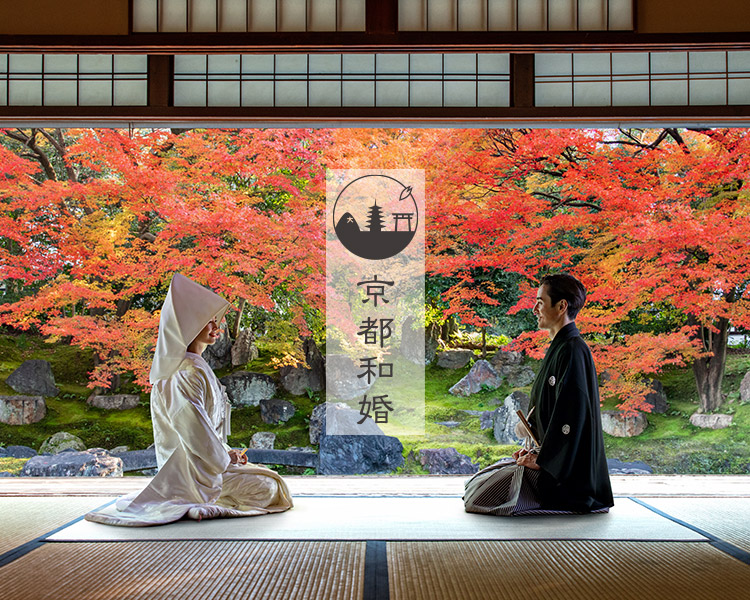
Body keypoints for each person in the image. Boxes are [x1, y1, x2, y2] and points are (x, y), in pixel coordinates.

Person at [86, 273, 293, 526]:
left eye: (217, 321)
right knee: (267, 488)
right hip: (190, 473)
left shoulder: (194, 367)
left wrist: (230, 455)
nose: (217, 328)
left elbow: (207, 432)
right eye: (209, 322)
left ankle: (205, 504)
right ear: (189, 326)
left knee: (268, 481)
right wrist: (226, 459)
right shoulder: (185, 372)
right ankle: (201, 504)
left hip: (204, 463)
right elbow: (194, 430)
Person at [464, 273, 613, 516]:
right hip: (552, 460)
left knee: (484, 496)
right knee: (478, 483)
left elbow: (571, 416)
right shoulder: (561, 347)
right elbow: (548, 409)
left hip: (567, 476)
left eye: (540, 302)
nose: (534, 309)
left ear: (562, 306)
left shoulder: (573, 350)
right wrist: (534, 450)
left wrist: (544, 459)